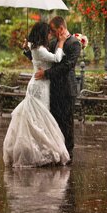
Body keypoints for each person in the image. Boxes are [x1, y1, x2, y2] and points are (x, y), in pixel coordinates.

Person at [3, 22, 70, 167]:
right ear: (42, 33)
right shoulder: (39, 49)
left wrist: (26, 47)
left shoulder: (36, 48)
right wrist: (62, 42)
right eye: (48, 32)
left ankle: (40, 149)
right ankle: (38, 151)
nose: (49, 34)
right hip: (39, 87)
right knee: (38, 117)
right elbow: (57, 58)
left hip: (41, 84)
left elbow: (37, 56)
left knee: (39, 117)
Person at [34, 16, 81, 160]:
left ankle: (68, 153)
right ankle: (57, 152)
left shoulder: (74, 43)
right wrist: (27, 50)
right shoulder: (54, 43)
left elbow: (67, 66)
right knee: (54, 122)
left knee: (66, 122)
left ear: (61, 28)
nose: (52, 33)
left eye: (53, 30)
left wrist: (46, 74)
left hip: (67, 89)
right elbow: (43, 57)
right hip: (54, 89)